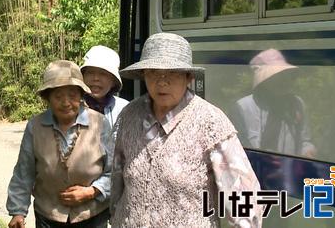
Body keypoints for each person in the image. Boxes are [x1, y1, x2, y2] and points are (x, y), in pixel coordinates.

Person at [110, 32, 263, 227]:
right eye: (153, 72)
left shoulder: (210, 123)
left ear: (188, 77)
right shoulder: (129, 116)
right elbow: (117, 183)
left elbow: (245, 199)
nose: (161, 81)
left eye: (172, 73)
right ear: (143, 75)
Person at [6, 60, 112, 228]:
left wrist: (91, 192)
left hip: (92, 216)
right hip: (48, 216)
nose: (66, 102)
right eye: (58, 96)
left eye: (72, 95)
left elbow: (114, 171)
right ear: (47, 97)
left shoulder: (100, 123)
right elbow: (23, 173)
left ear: (81, 95)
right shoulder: (35, 126)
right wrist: (18, 211)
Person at [232, 48, 316, 158]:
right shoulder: (243, 107)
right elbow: (236, 148)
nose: (284, 80)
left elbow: (304, 141)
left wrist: (308, 151)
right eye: (278, 76)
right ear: (265, 81)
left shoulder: (296, 104)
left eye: (286, 75)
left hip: (289, 168)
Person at [80, 45, 129, 138]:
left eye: (103, 74)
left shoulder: (124, 109)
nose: (96, 78)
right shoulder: (70, 107)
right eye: (90, 72)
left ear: (113, 81)